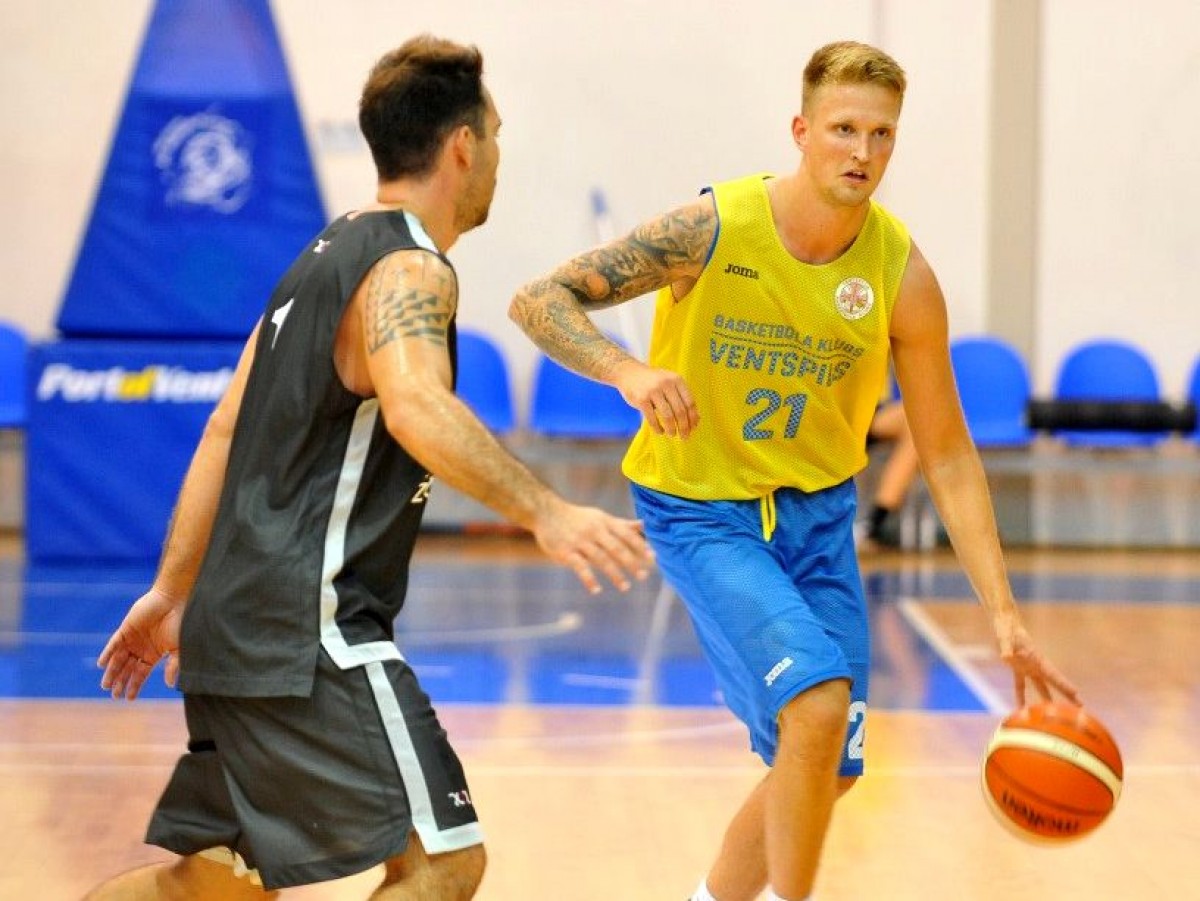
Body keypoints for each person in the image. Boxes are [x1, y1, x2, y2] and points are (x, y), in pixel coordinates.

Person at [509, 40, 1079, 901]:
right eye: (844, 129)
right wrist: (627, 372)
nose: (862, 151)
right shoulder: (710, 228)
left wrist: (1004, 613)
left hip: (817, 516)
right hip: (702, 506)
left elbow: (948, 453)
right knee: (815, 705)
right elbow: (538, 299)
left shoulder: (901, 275)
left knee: (829, 767)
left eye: (882, 135)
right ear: (801, 131)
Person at [88, 35, 653, 901]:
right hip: (308, 630)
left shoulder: (319, 256)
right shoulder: (411, 267)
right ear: (462, 145)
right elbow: (415, 404)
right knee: (442, 860)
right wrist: (549, 509)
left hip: (235, 626)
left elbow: (221, 430)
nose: (497, 154)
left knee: (214, 883)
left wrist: (173, 592)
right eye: (495, 135)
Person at [860, 395, 921, 549]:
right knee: (916, 421)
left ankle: (872, 524)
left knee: (918, 421)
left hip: (868, 409)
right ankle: (873, 525)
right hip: (826, 404)